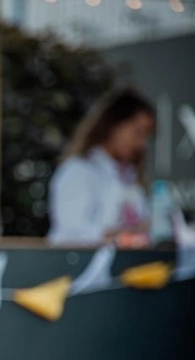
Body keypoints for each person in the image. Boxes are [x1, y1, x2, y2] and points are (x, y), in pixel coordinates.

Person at [48, 86, 156, 246]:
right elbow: (69, 233)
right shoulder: (79, 171)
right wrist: (118, 235)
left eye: (146, 136)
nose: (142, 144)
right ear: (114, 126)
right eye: (137, 132)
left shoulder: (130, 177)